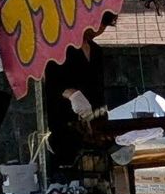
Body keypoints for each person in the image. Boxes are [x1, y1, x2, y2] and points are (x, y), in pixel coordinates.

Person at [44, 11, 117, 171]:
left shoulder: (97, 51)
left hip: (97, 124)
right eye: (99, 25)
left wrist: (102, 118)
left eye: (103, 26)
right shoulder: (59, 49)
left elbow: (98, 88)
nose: (99, 30)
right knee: (71, 171)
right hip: (66, 124)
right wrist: (72, 94)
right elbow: (51, 84)